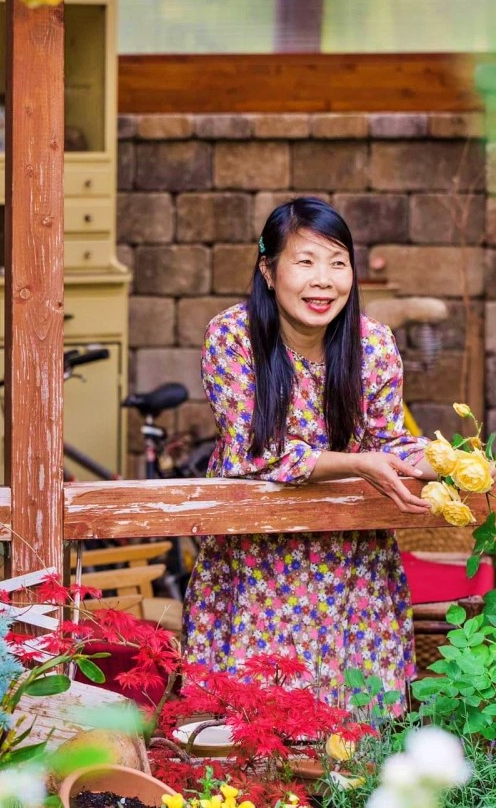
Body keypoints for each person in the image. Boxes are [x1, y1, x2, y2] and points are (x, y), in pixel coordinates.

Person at [184, 196, 436, 711]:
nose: (324, 280)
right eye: (305, 261)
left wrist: (440, 459)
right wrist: (356, 463)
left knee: (358, 739)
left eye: (338, 263)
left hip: (353, 567)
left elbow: (386, 441)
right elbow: (255, 451)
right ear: (269, 271)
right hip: (258, 567)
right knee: (258, 734)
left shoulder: (374, 345)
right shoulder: (233, 336)